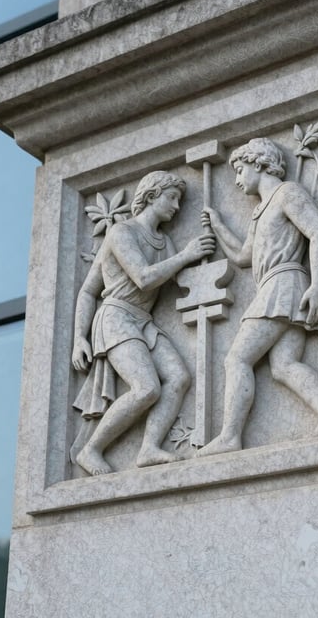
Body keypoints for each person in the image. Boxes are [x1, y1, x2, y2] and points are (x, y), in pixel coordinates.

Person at [198, 137, 318, 457]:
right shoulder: (260, 210)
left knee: (236, 358)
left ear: (259, 164)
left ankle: (230, 436)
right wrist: (218, 225)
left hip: (284, 285)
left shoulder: (287, 193)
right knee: (284, 365)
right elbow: (242, 256)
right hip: (273, 288)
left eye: (240, 170)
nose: (236, 179)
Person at [71, 170, 215, 475]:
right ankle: (90, 450)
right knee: (146, 388)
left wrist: (213, 236)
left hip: (143, 321)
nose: (177, 207)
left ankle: (149, 448)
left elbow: (180, 278)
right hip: (116, 317)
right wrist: (79, 339)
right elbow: (143, 278)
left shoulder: (164, 242)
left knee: (179, 377)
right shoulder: (122, 232)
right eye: (172, 198)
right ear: (151, 195)